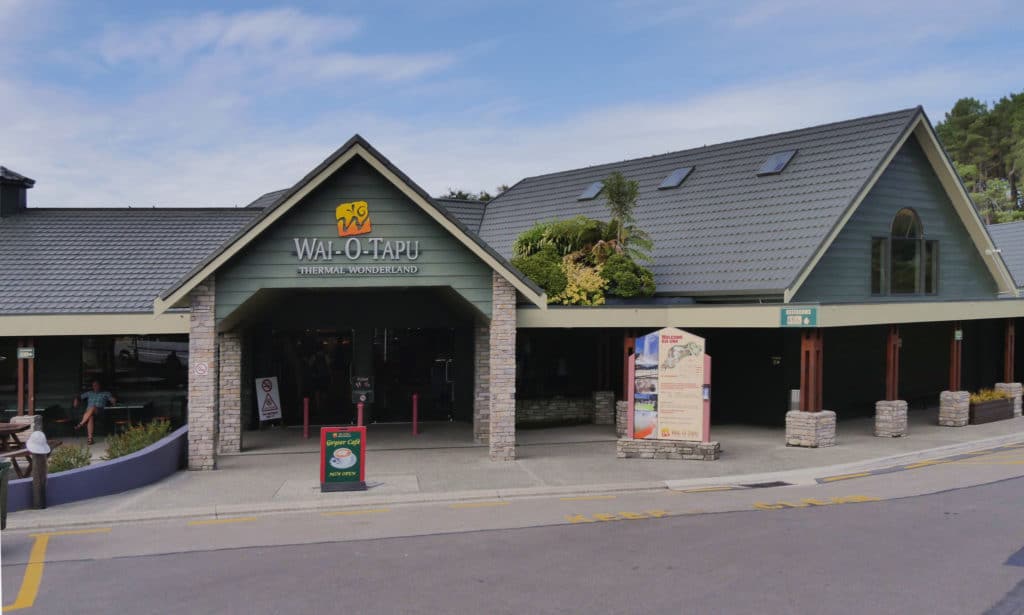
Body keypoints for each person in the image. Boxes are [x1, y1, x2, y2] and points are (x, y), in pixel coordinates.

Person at [73, 380, 117, 445]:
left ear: (100, 386)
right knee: (90, 417)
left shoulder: (106, 393)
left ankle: (81, 424)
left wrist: (113, 400)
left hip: (100, 412)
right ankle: (90, 439)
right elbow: (78, 397)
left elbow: (112, 399)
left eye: (96, 385)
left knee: (93, 407)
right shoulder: (89, 393)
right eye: (93, 385)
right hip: (89, 413)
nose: (95, 386)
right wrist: (76, 400)